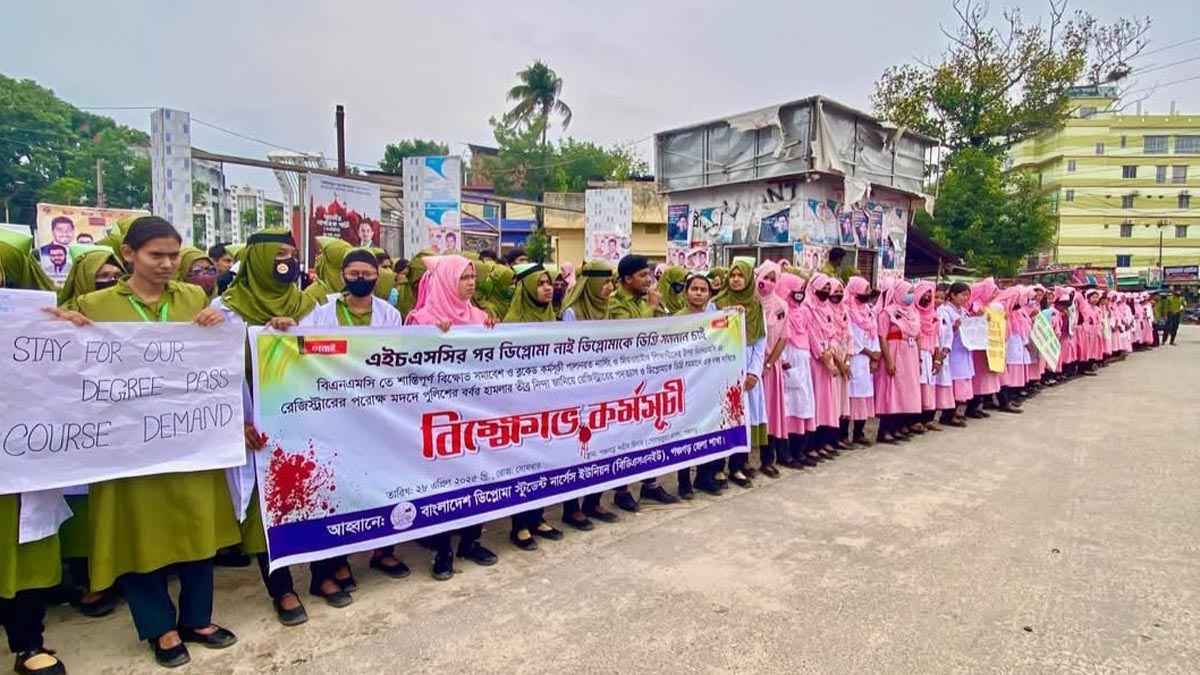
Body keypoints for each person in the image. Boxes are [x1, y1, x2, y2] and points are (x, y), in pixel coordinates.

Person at [49, 216, 239, 668]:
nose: (168, 264)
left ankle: (198, 618)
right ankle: (160, 627)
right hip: (127, 447)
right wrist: (61, 324)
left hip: (189, 441)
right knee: (138, 534)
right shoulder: (95, 304)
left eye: (174, 255)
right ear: (129, 255)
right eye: (157, 255)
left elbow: (214, 352)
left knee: (198, 528)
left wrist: (217, 321)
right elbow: (50, 354)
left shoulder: (193, 296)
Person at [211, 229, 323, 626]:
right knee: (267, 509)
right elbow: (210, 376)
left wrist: (294, 334)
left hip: (310, 417)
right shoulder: (225, 311)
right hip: (257, 426)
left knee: (316, 495)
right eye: (278, 255)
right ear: (257, 259)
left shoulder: (312, 304)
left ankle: (323, 574)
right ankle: (282, 587)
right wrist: (233, 420)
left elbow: (339, 356)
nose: (287, 263)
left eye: (292, 255)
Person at [1, 225, 70, 675]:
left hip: (16, 455)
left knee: (21, 550)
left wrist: (73, 335)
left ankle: (28, 643)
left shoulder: (31, 326)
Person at [405, 255, 500, 579]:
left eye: (473, 276)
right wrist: (431, 339)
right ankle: (442, 548)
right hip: (438, 419)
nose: (471, 282)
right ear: (446, 281)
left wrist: (492, 332)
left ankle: (471, 540)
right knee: (443, 483)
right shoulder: (421, 320)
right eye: (464, 277)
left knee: (478, 475)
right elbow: (406, 367)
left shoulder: (479, 317)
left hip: (475, 414)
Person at [606, 255, 681, 507]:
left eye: (649, 274)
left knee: (651, 431)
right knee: (625, 435)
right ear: (627, 279)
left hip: (650, 376)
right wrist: (650, 307)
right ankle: (622, 490)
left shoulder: (645, 299)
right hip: (626, 380)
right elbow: (630, 337)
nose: (648, 279)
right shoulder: (615, 303)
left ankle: (651, 484)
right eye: (642, 275)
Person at [503, 263, 568, 549]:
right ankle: (519, 526)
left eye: (549, 283)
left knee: (547, 461)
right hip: (521, 406)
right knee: (523, 464)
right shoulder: (510, 324)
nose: (547, 288)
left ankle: (538, 517)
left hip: (549, 404)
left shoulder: (552, 319)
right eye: (540, 283)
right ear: (527, 288)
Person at [557, 261, 622, 523]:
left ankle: (594, 501)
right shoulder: (572, 313)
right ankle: (571, 508)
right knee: (577, 449)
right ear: (591, 284)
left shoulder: (605, 309)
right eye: (604, 283)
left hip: (603, 389)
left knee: (601, 447)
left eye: (610, 283)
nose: (608, 288)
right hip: (578, 392)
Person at [714, 258, 767, 487]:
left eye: (740, 276)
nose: (736, 280)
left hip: (748, 371)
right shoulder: (716, 303)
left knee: (743, 419)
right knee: (723, 418)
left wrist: (754, 372)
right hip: (723, 367)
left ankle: (738, 466)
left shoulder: (756, 306)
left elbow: (760, 342)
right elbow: (709, 335)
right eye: (732, 275)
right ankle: (717, 468)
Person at [773, 272, 819, 466]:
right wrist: (782, 360)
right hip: (788, 361)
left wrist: (820, 354)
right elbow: (776, 336)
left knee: (803, 405)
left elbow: (810, 335)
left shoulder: (803, 311)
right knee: (788, 408)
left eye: (802, 290)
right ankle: (785, 454)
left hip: (803, 362)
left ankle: (799, 450)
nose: (799, 293)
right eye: (796, 289)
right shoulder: (780, 310)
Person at [874, 279, 922, 444]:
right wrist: (888, 361)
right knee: (892, 392)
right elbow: (882, 337)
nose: (910, 296)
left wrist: (919, 358)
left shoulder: (914, 312)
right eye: (908, 292)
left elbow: (918, 336)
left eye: (912, 292)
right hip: (895, 353)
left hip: (910, 355)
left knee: (907, 392)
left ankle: (898, 427)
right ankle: (885, 430)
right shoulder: (887, 312)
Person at [755, 261, 789, 476]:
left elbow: (783, 338)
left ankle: (768, 460)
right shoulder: (748, 302)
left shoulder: (781, 306)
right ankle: (740, 463)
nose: (766, 282)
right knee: (749, 413)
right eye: (764, 277)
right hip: (749, 366)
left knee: (770, 413)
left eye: (772, 279)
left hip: (769, 368)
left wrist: (768, 364)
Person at [844, 277, 881, 446]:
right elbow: (851, 337)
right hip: (854, 357)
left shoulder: (868, 310)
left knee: (864, 397)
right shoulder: (847, 310)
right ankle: (844, 435)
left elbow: (874, 333)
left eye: (868, 290)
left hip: (867, 361)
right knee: (850, 398)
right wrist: (868, 352)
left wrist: (875, 355)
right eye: (864, 290)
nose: (867, 294)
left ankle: (859, 432)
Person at [913, 281, 942, 432]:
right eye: (925, 293)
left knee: (929, 387)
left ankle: (927, 418)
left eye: (930, 294)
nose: (928, 297)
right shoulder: (912, 313)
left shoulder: (933, 315)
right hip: (916, 353)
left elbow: (936, 337)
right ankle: (914, 420)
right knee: (917, 387)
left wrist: (937, 358)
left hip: (930, 354)